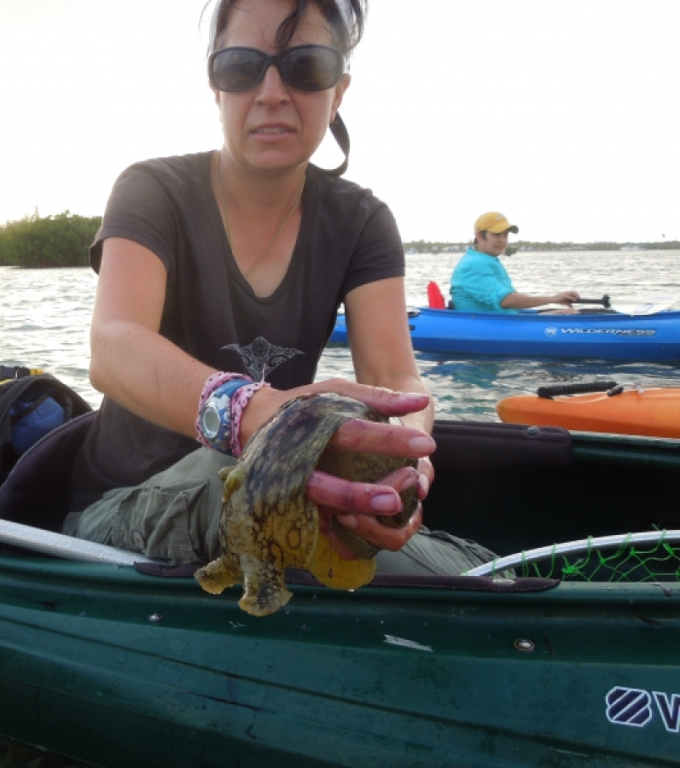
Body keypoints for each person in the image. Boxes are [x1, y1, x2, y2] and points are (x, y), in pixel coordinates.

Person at [63, 0, 498, 576]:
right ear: (215, 85)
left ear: (338, 90)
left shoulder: (361, 221)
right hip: (120, 506)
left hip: (283, 481)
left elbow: (395, 378)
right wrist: (258, 412)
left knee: (444, 562)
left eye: (306, 67)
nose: (271, 92)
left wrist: (402, 450)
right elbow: (113, 345)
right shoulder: (153, 190)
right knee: (257, 480)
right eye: (242, 66)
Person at [449, 212, 580, 314]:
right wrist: (553, 299)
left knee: (570, 314)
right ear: (479, 236)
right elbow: (506, 301)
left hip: (503, 321)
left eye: (505, 235)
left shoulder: (485, 259)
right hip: (488, 327)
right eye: (497, 234)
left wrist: (550, 313)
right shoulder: (473, 264)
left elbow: (509, 305)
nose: (502, 240)